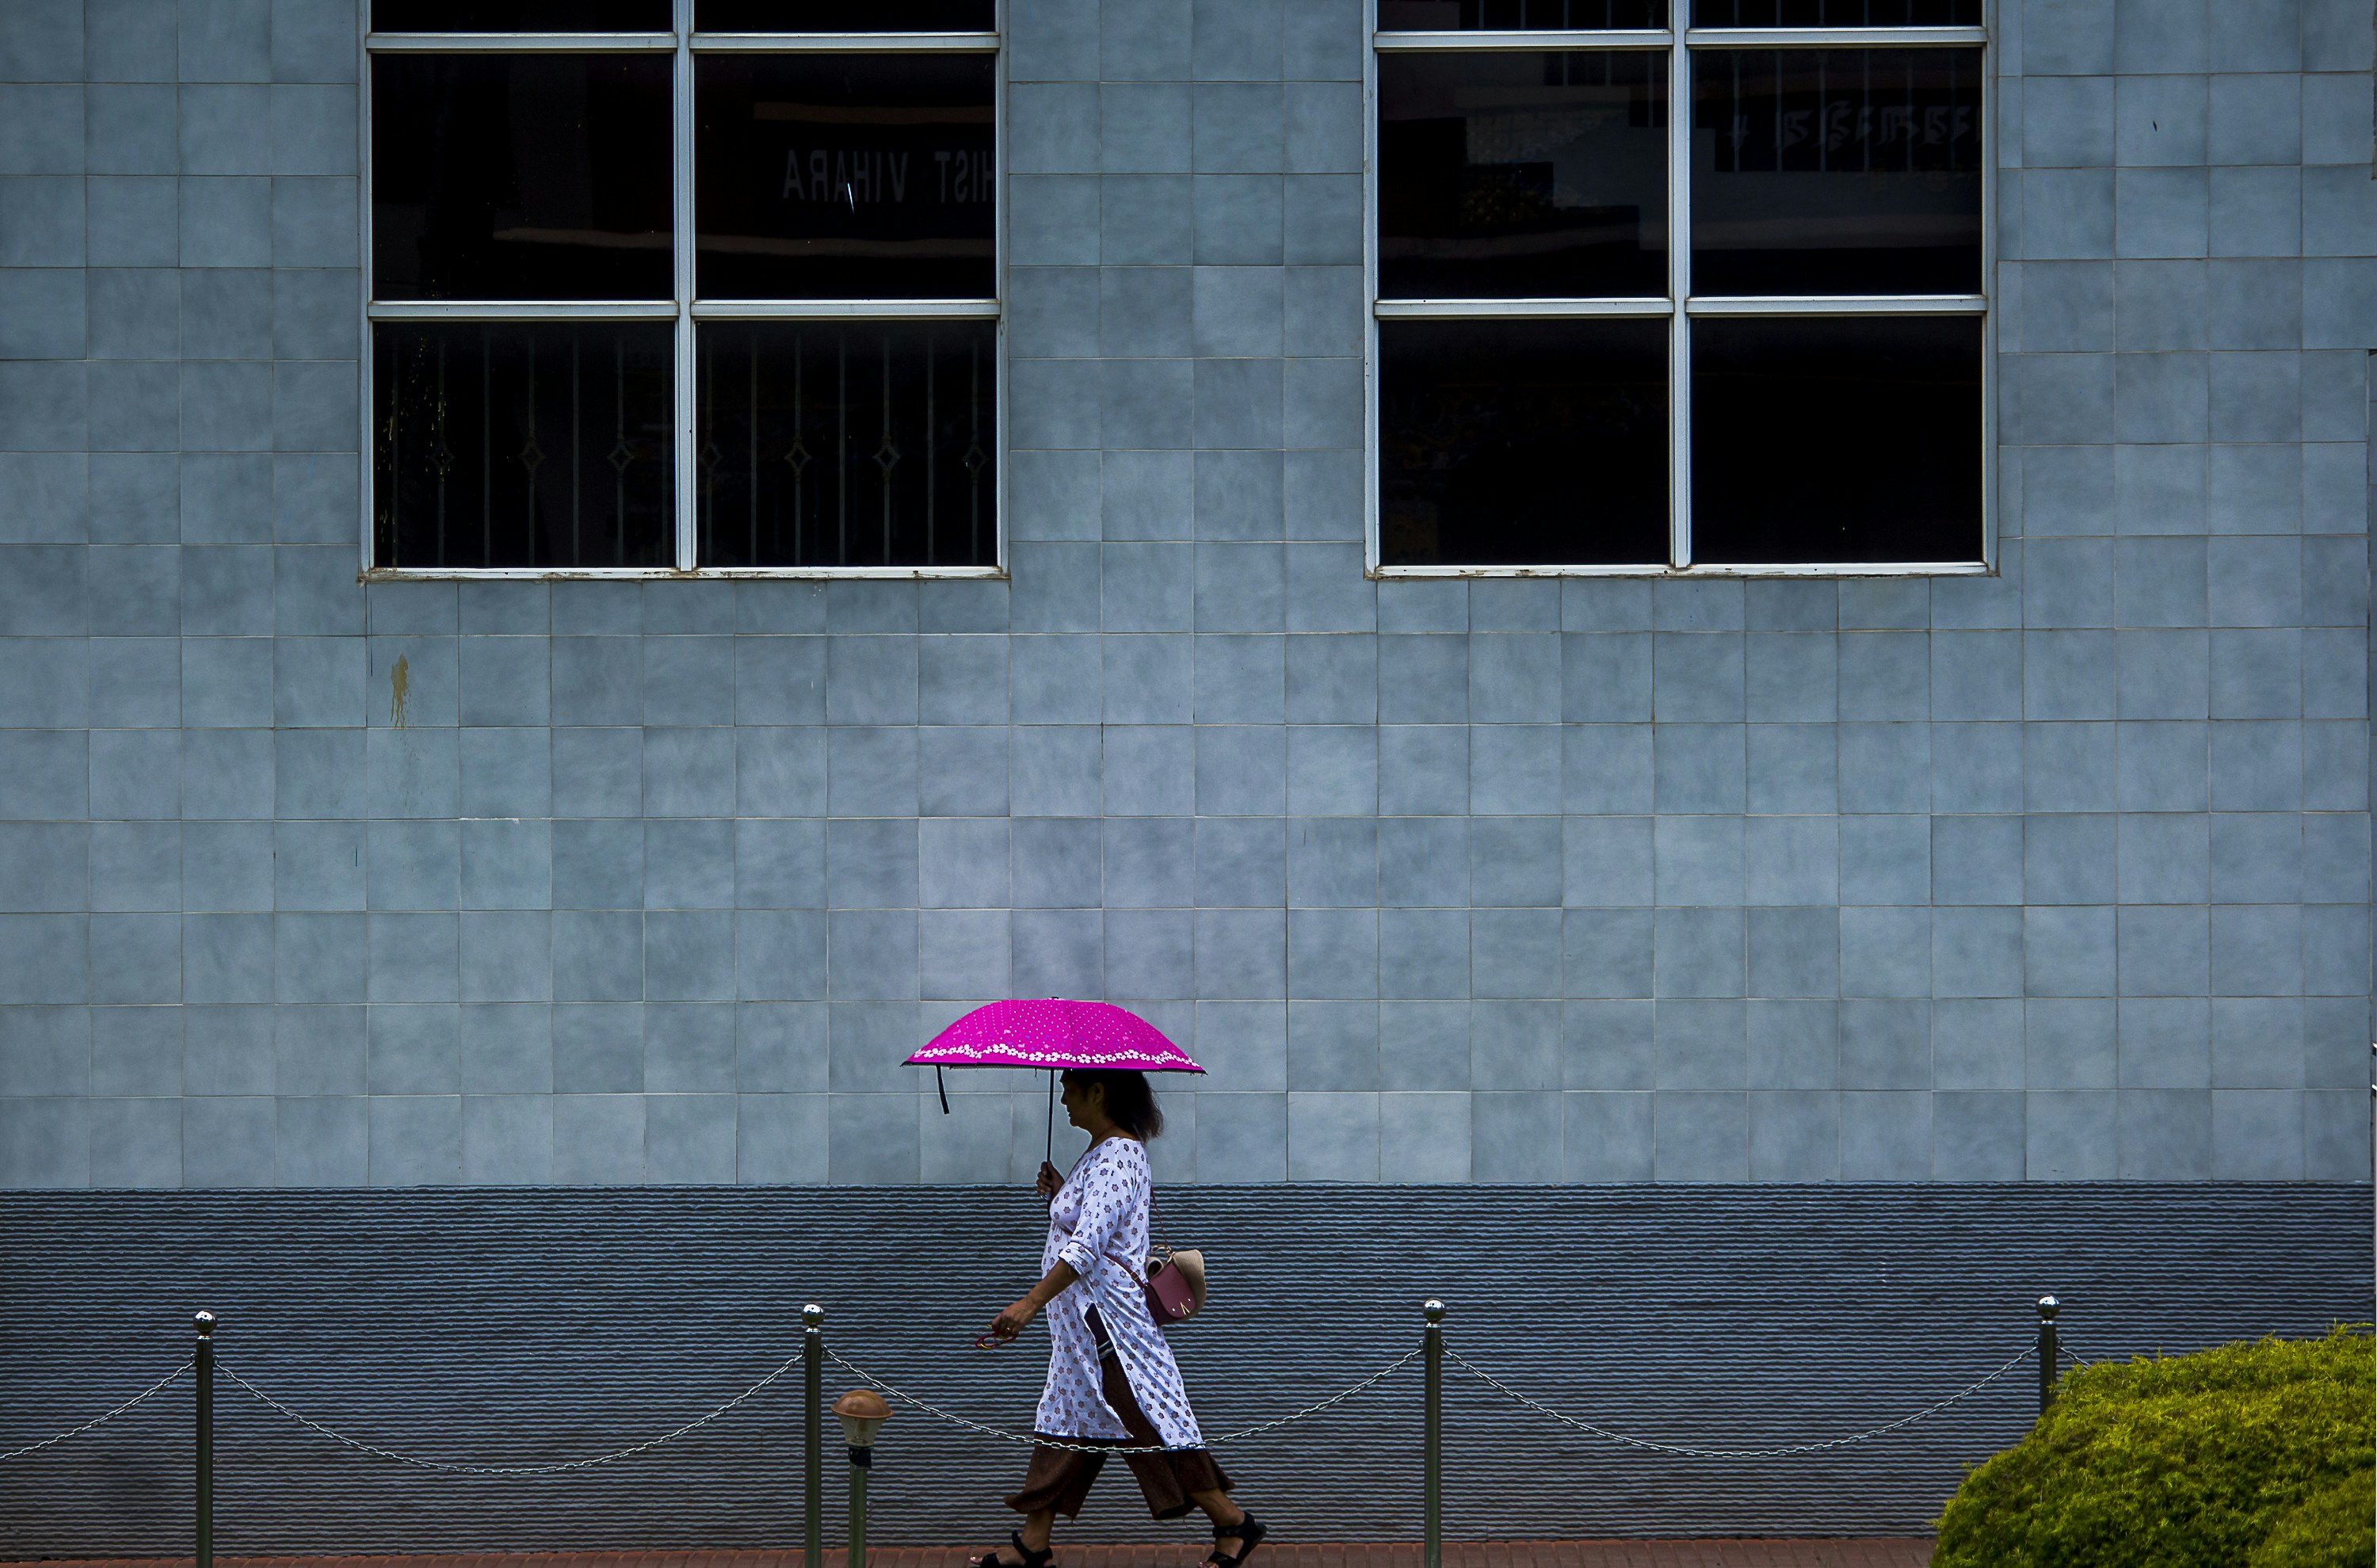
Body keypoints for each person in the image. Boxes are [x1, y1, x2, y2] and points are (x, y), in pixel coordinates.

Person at [975, 1068, 1265, 1568]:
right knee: (1065, 1422)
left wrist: (1028, 1305)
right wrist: (1062, 1193)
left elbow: (1087, 1247)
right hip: (1081, 1330)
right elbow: (1096, 1224)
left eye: (1069, 1089)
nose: (1063, 1100)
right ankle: (1034, 1544)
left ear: (1098, 1092)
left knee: (1147, 1419)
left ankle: (1232, 1521)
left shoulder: (1118, 1155)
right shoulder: (1101, 1153)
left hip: (1107, 1327)